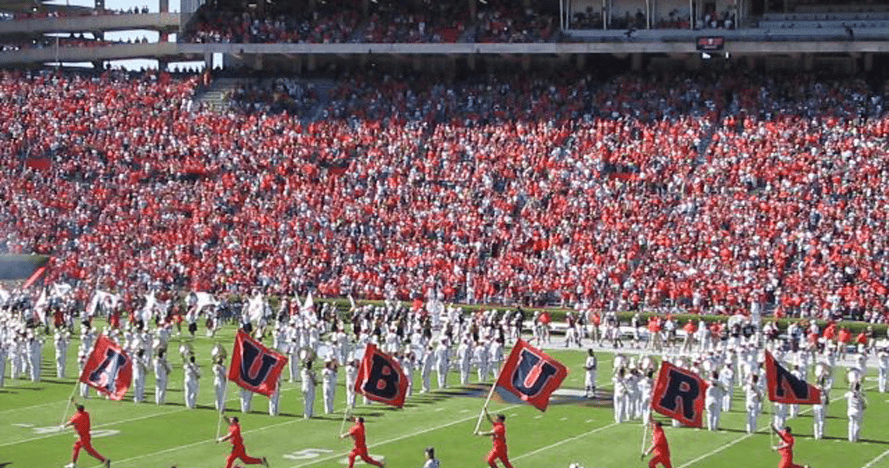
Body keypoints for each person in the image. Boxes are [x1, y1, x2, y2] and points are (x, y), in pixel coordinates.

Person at [63, 400, 111, 468]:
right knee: (76, 447)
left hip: (84, 437)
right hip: (84, 436)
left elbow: (71, 422)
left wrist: (64, 426)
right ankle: (73, 464)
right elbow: (79, 407)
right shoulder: (86, 414)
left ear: (78, 410)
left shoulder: (78, 416)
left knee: (90, 451)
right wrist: (74, 402)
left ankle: (104, 460)